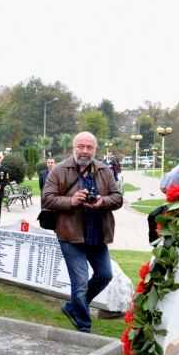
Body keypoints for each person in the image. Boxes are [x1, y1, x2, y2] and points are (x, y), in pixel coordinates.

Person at [42, 131, 123, 333]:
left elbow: (118, 198)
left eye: (89, 147)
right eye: (81, 146)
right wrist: (72, 201)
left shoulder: (104, 170)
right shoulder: (60, 170)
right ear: (73, 148)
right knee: (79, 284)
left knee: (105, 275)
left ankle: (72, 307)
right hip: (70, 236)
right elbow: (47, 199)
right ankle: (84, 328)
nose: (85, 151)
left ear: (95, 149)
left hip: (97, 236)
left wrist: (102, 201)